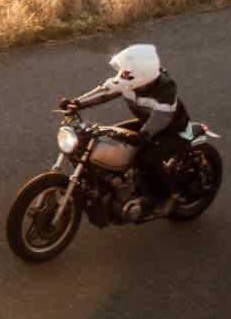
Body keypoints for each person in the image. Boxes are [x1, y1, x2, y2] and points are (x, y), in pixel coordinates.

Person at [59, 42, 191, 219]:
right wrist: (77, 103)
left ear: (143, 75)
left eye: (128, 72)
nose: (123, 74)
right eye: (124, 71)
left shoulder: (165, 89)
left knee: (146, 159)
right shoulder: (130, 81)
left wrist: (144, 135)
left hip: (173, 131)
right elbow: (106, 91)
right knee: (110, 140)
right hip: (146, 123)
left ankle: (165, 200)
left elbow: (161, 118)